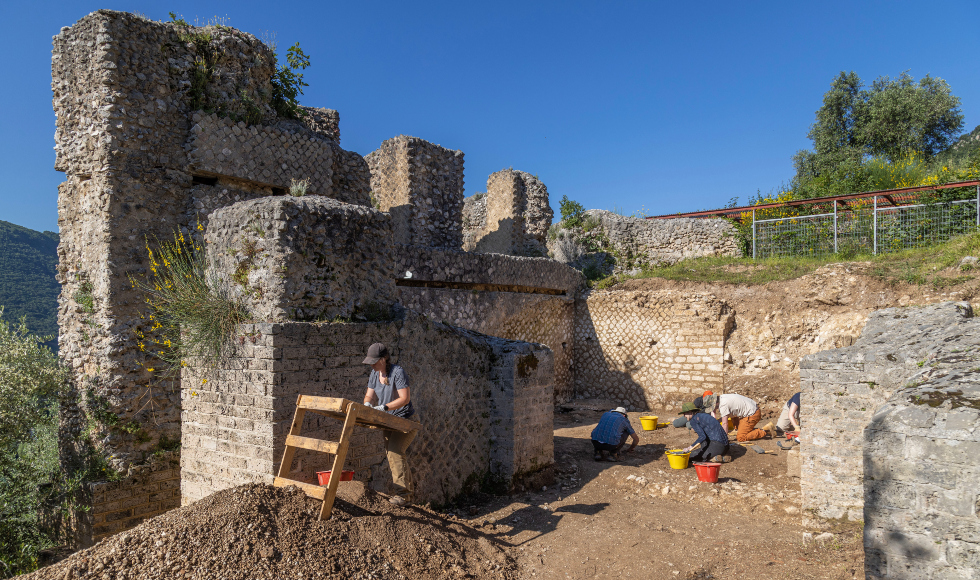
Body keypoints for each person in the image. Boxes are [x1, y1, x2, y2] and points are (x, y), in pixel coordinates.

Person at [362, 343, 417, 506]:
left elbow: (404, 398)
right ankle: (408, 494)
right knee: (394, 454)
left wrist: (384, 407)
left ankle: (402, 495)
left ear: (384, 359)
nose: (371, 364)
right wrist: (367, 404)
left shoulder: (397, 372)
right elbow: (369, 396)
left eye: (374, 361)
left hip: (405, 420)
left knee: (395, 452)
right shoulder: (374, 373)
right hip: (388, 421)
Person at [708, 393, 772, 443]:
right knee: (731, 415)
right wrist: (717, 421)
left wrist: (724, 439)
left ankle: (765, 430)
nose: (714, 409)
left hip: (752, 414)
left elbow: (725, 424)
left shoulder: (723, 405)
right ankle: (741, 430)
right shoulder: (722, 397)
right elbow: (724, 415)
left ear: (716, 403)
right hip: (750, 407)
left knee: (741, 438)